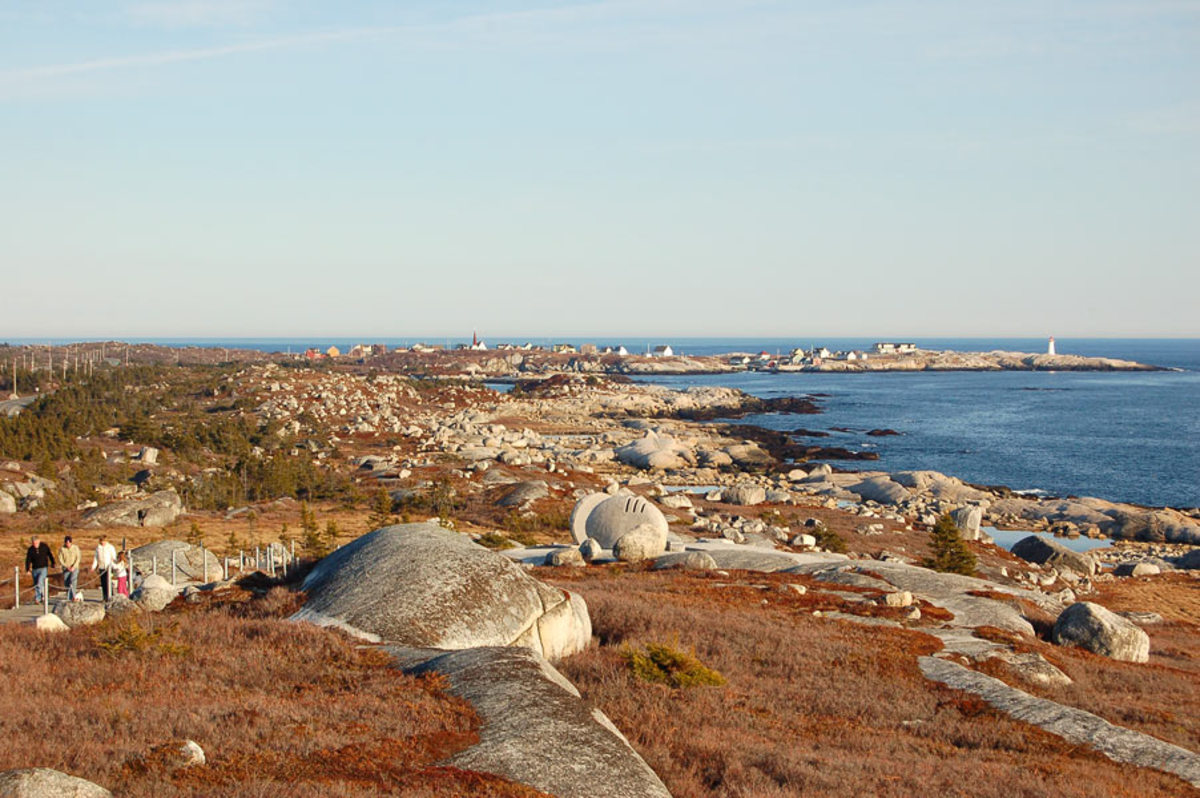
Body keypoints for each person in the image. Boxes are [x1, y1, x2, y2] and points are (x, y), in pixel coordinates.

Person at [24, 536, 55, 604]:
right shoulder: (30, 549)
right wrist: (28, 569)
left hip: (43, 568)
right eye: (33, 543)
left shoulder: (44, 546)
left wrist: (53, 563)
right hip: (35, 569)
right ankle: (38, 598)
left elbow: (50, 554)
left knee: (40, 582)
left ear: (39, 541)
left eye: (36, 543)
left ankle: (43, 596)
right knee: (36, 584)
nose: (35, 544)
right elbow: (28, 559)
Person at [91, 535, 118, 603]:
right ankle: (105, 597)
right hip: (101, 567)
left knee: (108, 582)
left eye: (104, 541)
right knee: (103, 583)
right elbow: (96, 558)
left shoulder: (110, 547)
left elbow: (113, 557)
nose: (103, 542)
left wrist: (113, 565)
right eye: (101, 541)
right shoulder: (98, 548)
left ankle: (111, 596)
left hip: (108, 567)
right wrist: (93, 566)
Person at [57, 535, 81, 601]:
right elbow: (60, 559)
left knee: (73, 581)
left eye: (69, 543)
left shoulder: (75, 548)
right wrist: (66, 566)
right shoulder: (62, 549)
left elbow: (78, 558)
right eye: (66, 543)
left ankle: (73, 597)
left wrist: (73, 566)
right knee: (67, 582)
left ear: (71, 542)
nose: (68, 544)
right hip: (66, 568)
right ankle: (69, 595)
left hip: (74, 568)